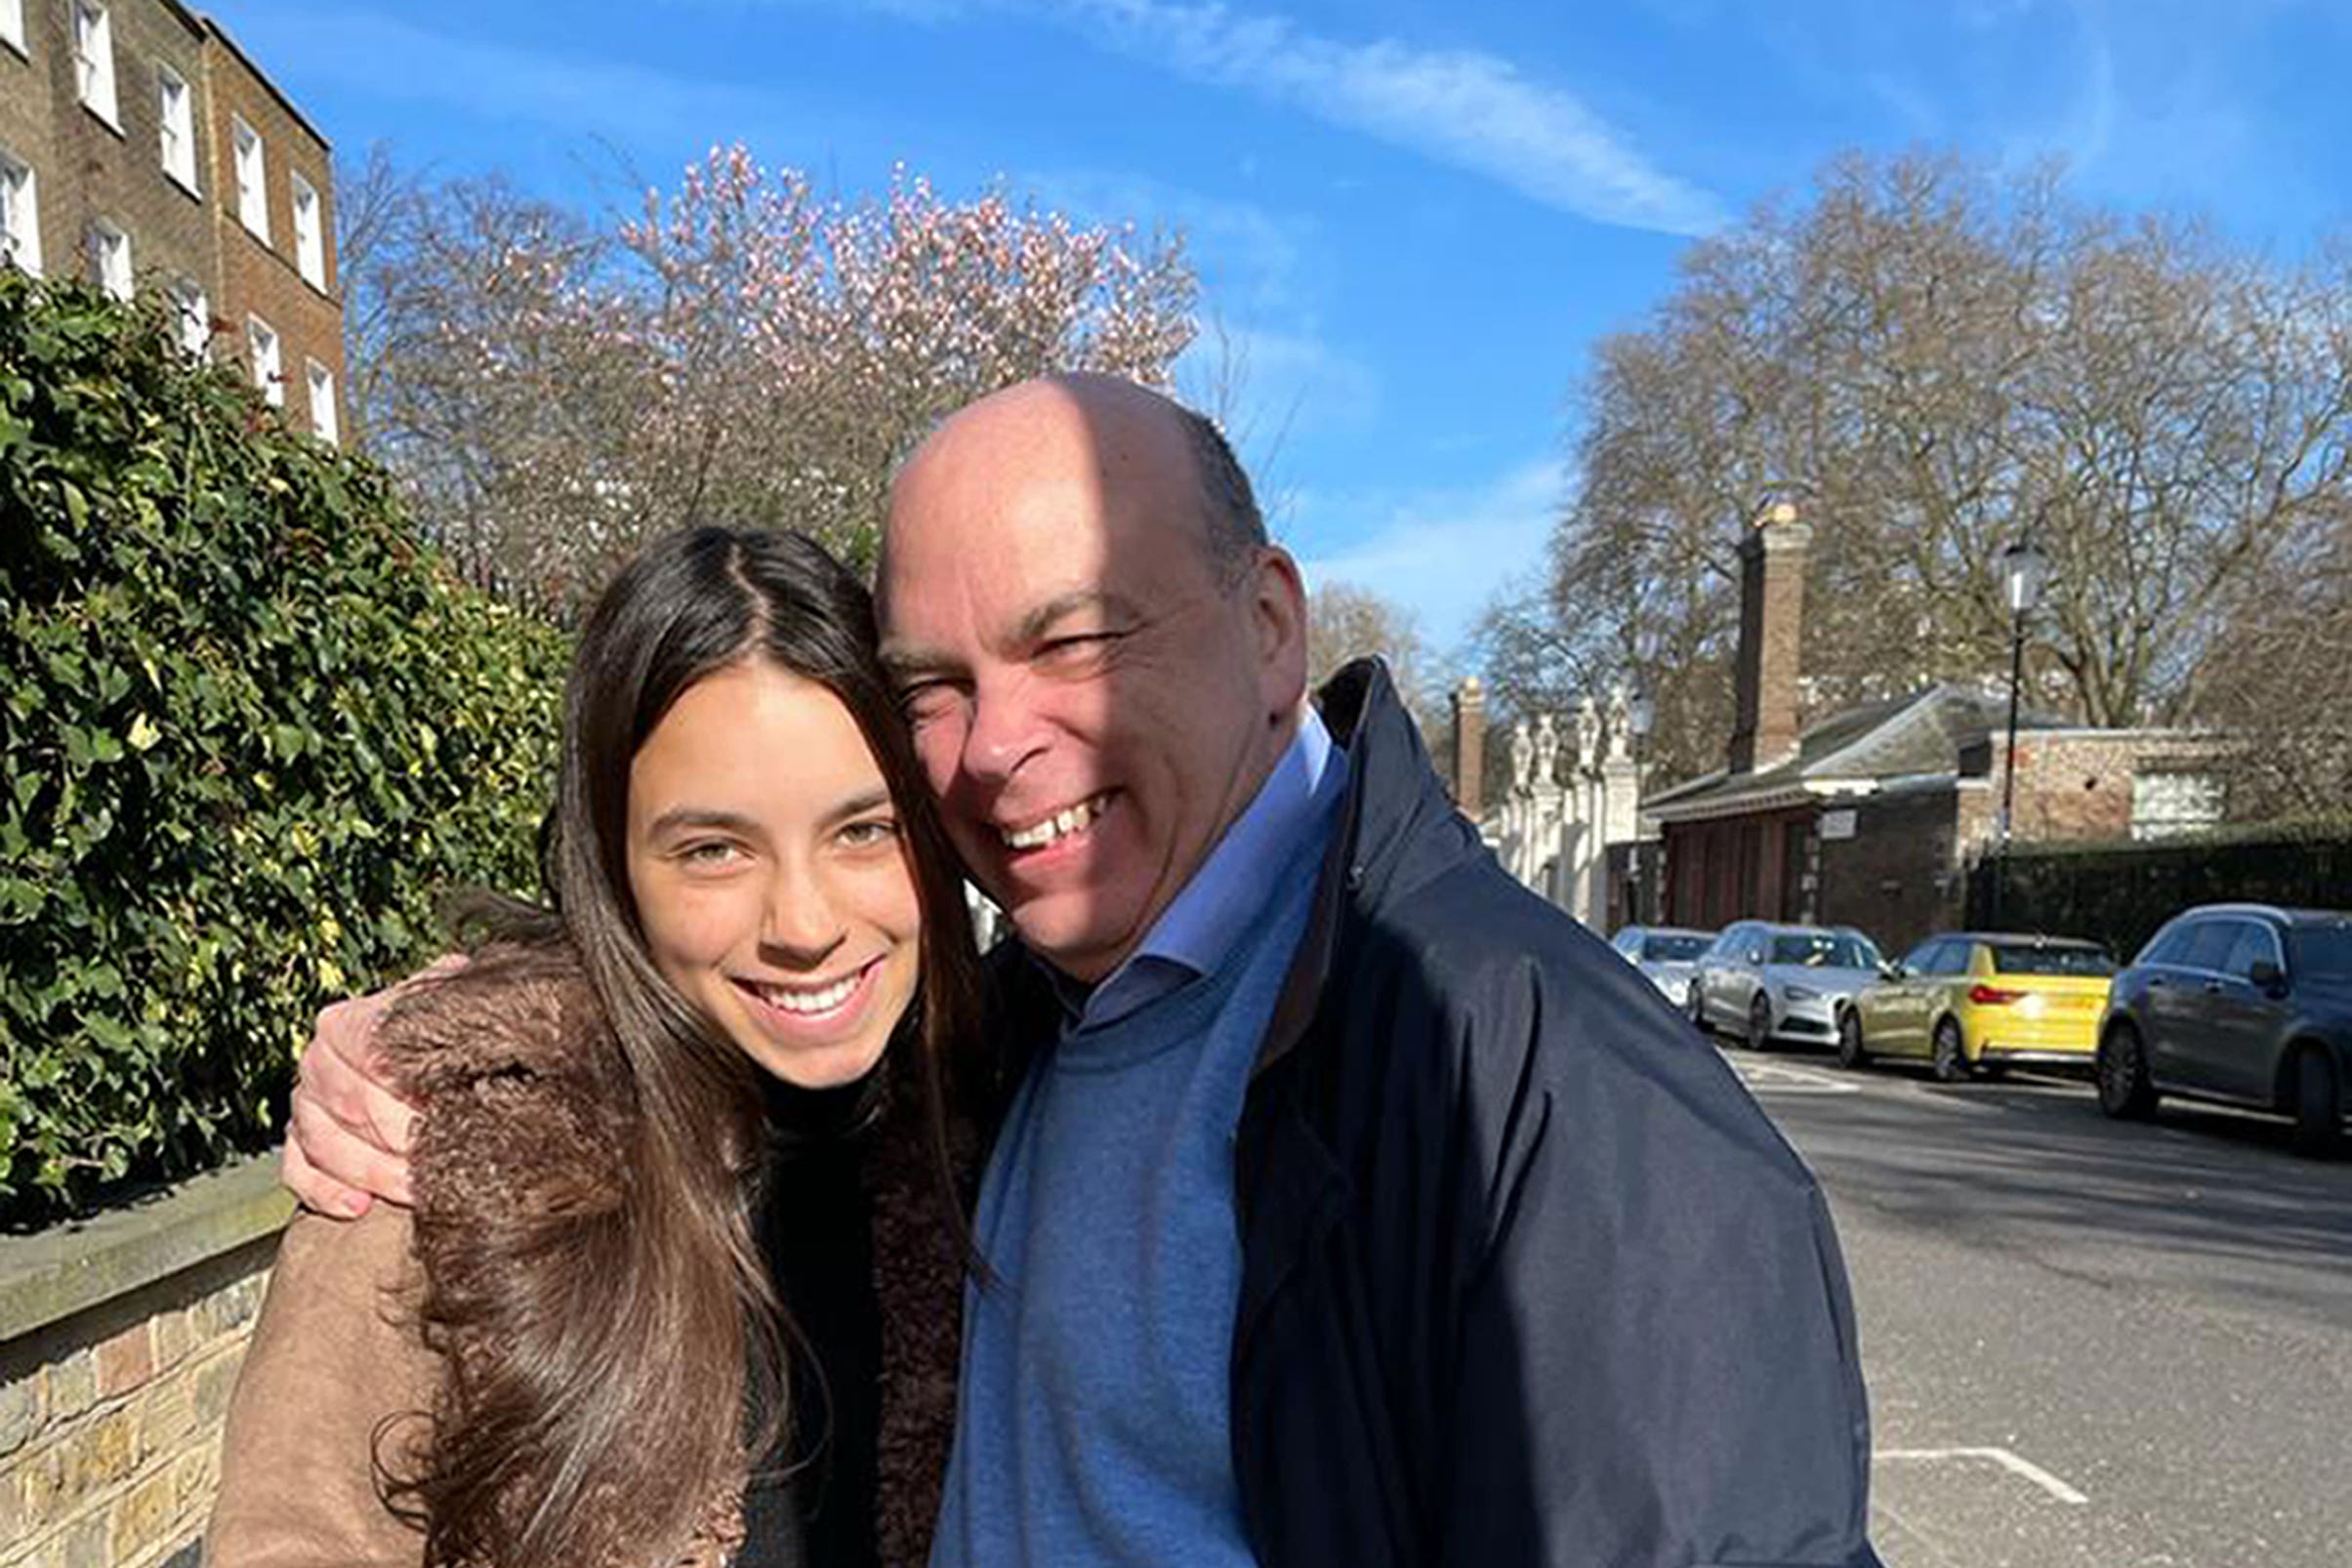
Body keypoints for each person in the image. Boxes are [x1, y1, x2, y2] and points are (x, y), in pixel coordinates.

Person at [288, 376, 1883, 1566]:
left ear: (1268, 628)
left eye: (1075, 643)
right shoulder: (1030, 1022)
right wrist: (458, 1045)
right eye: (935, 683)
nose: (995, 750)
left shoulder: (1532, 1090)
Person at [211, 528, 982, 1568]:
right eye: (713, 849)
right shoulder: (442, 1160)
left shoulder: (1007, 1112)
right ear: (613, 866)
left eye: (863, 830)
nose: (804, 921)